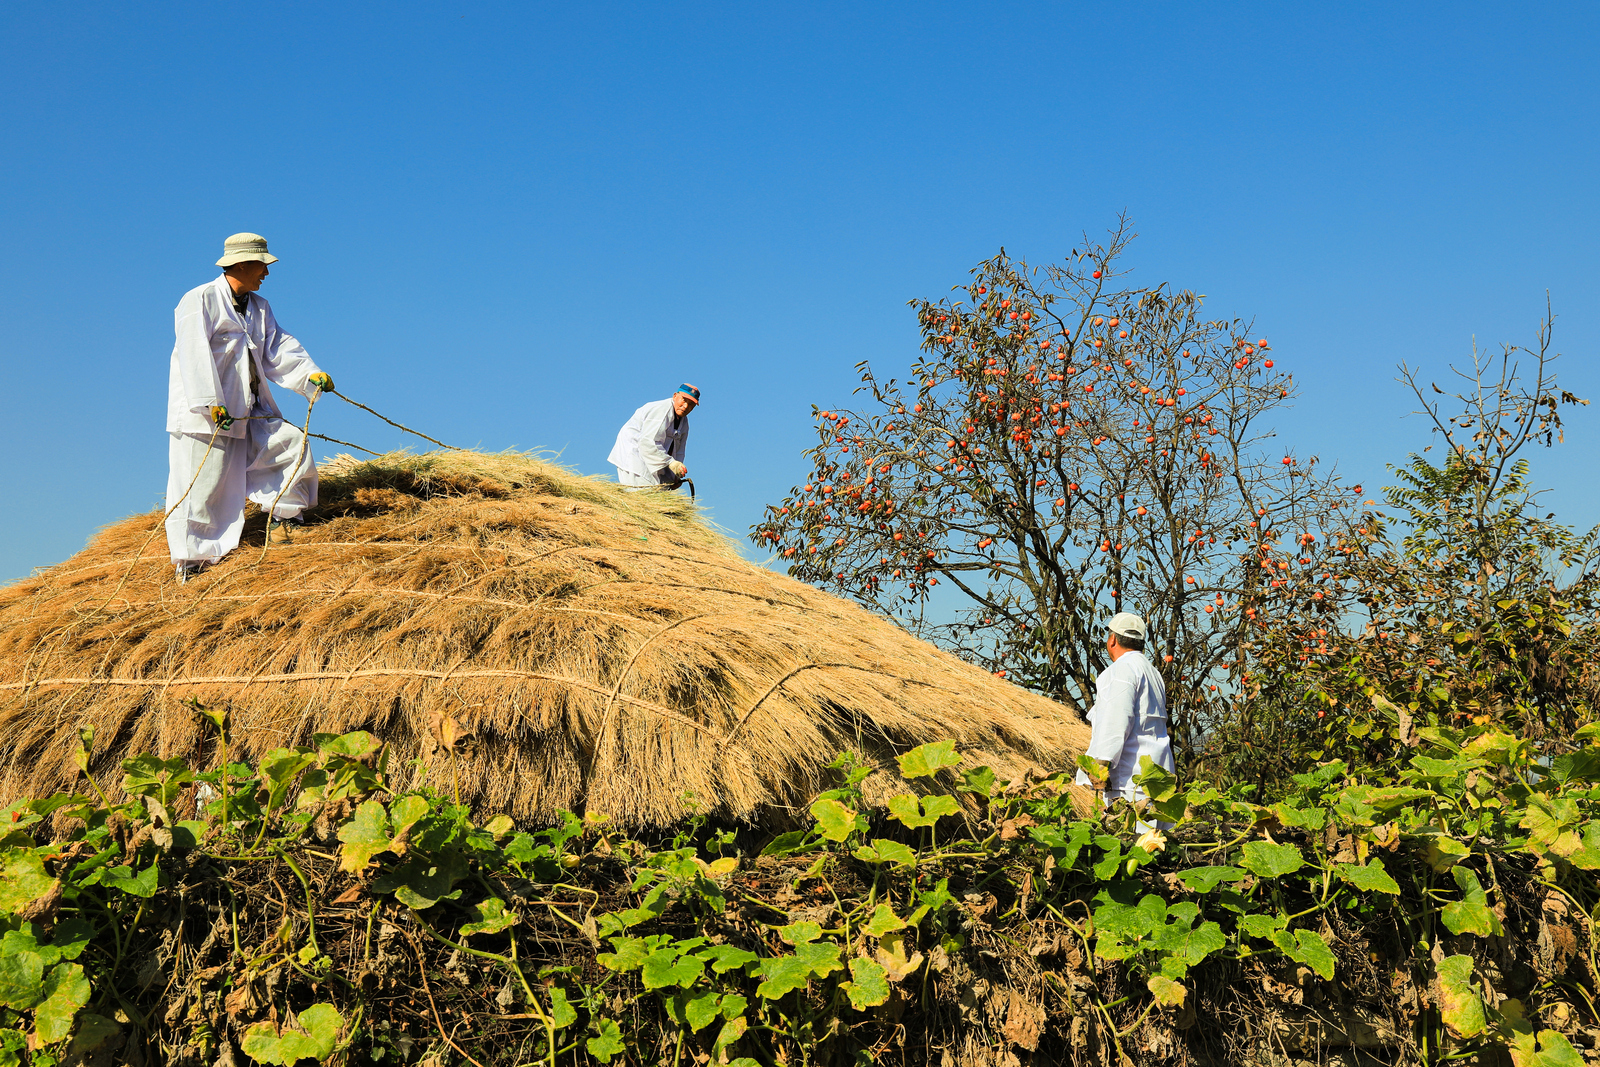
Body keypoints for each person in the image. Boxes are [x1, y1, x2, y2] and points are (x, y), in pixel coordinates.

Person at [165, 233, 335, 582]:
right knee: (203, 486)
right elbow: (194, 353)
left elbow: (278, 346)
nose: (266, 273)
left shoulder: (259, 307)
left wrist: (310, 374)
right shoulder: (199, 299)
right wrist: (210, 403)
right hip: (206, 414)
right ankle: (192, 563)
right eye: (262, 265)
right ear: (242, 264)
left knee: (289, 445)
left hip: (249, 406)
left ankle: (284, 520)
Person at [1073, 612, 1176, 816]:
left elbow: (1114, 723)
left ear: (1112, 640)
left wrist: (1099, 768)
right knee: (1155, 835)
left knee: (1127, 834)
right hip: (1156, 778)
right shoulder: (1152, 673)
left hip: (1128, 784)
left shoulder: (1120, 671)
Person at [608, 385, 699, 488]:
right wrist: (670, 463)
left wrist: (675, 476)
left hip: (653, 457)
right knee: (642, 492)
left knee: (658, 490)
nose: (686, 406)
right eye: (684, 400)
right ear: (675, 396)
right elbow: (648, 442)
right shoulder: (661, 410)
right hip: (634, 455)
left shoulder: (684, 423)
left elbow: (679, 450)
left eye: (691, 404)